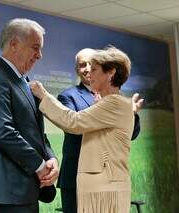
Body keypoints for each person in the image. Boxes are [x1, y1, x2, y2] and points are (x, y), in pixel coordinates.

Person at [31, 46, 136, 213]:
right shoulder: (111, 103)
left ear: (111, 73)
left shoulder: (114, 103)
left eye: (94, 69)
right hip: (103, 184)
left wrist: (44, 96)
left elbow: (74, 122)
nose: (89, 73)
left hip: (104, 187)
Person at [0, 18, 59, 213]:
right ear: (13, 44)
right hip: (4, 191)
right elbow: (3, 132)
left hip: (23, 190)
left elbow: (36, 132)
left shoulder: (24, 82)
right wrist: (40, 166)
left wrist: (51, 158)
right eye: (35, 47)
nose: (39, 55)